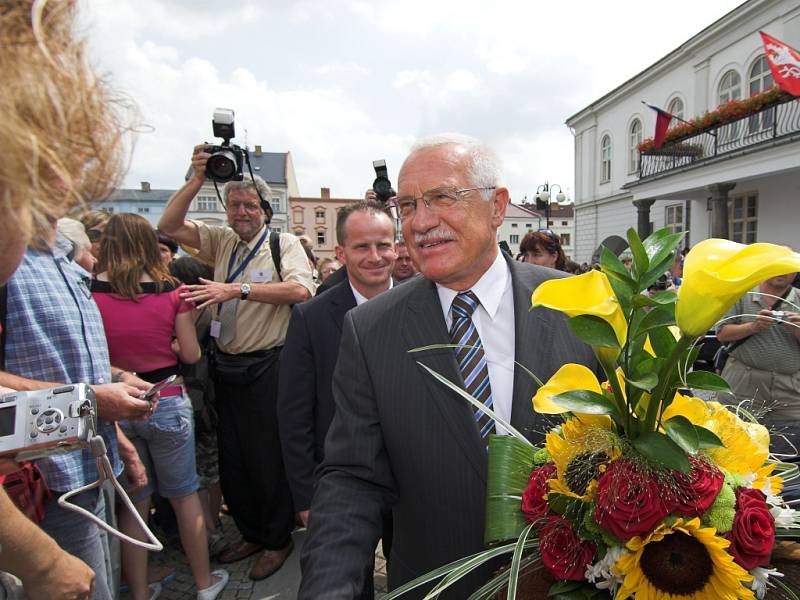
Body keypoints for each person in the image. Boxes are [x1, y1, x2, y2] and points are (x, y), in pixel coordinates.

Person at [298, 134, 596, 599]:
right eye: (408, 205)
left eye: (441, 198)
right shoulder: (369, 329)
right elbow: (353, 479)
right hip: (435, 585)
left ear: (497, 206)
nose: (420, 222)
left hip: (572, 584)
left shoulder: (581, 306)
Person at [0, 2, 135, 598]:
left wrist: (104, 408)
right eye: (51, 158)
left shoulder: (60, 255)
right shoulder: (19, 257)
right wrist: (87, 402)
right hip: (38, 484)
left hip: (81, 466)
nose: (69, 178)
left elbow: (70, 366)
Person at [159, 156, 314, 581]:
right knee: (235, 460)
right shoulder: (221, 241)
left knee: (266, 458)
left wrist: (237, 289)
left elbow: (301, 290)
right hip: (225, 366)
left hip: (268, 365)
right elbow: (170, 226)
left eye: (250, 205)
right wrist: (195, 178)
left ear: (264, 210)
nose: (242, 213)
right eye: (235, 205)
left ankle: (277, 538)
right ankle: (249, 530)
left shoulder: (283, 244)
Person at [91, 213, 228, 600]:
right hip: (165, 398)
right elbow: (190, 352)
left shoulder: (90, 293)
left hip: (116, 405)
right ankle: (204, 583)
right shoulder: (172, 291)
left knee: (135, 504)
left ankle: (138, 590)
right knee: (185, 496)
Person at [278, 200, 396, 599]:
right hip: (344, 481)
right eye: (362, 247)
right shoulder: (310, 319)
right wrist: (307, 496)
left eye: (384, 244)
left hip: (412, 482)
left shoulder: (427, 305)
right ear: (341, 253)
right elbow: (293, 415)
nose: (376, 257)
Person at [717, 272, 800, 456]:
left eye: (789, 268)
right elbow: (722, 333)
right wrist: (753, 326)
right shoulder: (742, 294)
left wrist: (796, 329)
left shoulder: (798, 298)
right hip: (742, 385)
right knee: (735, 449)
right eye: (778, 267)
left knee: (786, 451)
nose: (783, 273)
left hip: (789, 393)